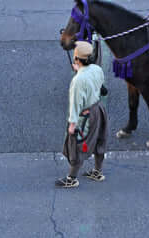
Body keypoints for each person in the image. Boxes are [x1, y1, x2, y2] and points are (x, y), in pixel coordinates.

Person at [55, 41, 108, 188]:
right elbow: (98, 83)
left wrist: (72, 124)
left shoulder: (78, 80)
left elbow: (75, 104)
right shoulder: (97, 69)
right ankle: (98, 171)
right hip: (99, 110)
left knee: (76, 146)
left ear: (77, 59)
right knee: (99, 139)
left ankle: (71, 179)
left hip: (85, 117)